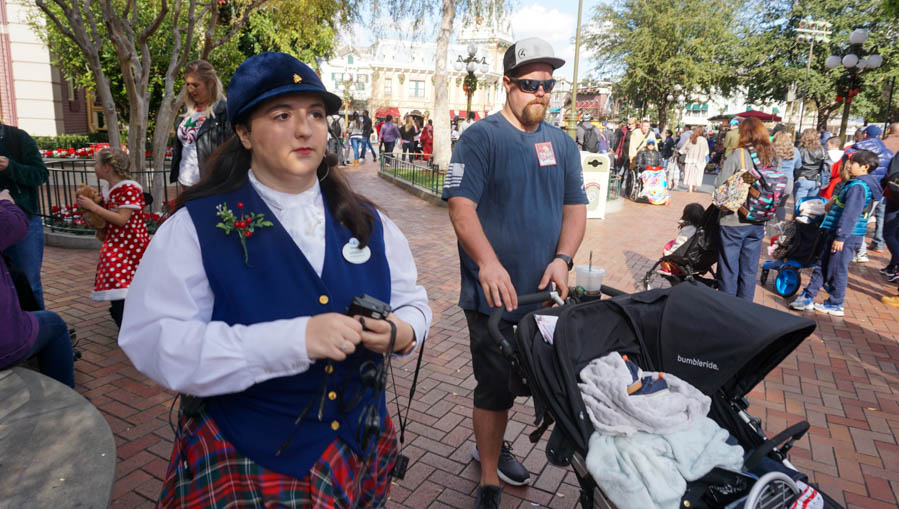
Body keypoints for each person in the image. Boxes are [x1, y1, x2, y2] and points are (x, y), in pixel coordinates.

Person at [118, 52, 432, 507]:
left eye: (316, 114)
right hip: (252, 460)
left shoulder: (368, 222)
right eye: (282, 115)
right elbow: (153, 341)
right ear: (243, 132)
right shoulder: (195, 229)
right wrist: (294, 339)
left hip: (357, 446)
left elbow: (413, 300)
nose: (305, 129)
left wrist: (402, 331)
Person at [441, 37, 588, 508]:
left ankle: (496, 444)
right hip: (493, 297)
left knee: (544, 379)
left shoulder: (562, 144)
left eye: (548, 84)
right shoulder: (480, 139)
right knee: (495, 386)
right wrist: (487, 263)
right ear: (508, 84)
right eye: (530, 83)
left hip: (543, 295)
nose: (541, 92)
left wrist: (562, 259)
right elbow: (461, 209)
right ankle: (488, 474)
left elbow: (575, 209)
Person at [789, 150, 882, 316]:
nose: (849, 165)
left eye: (853, 162)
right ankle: (809, 295)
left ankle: (835, 302)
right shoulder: (856, 184)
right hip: (836, 231)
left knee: (837, 269)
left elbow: (850, 214)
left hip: (846, 236)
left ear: (864, 167)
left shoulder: (859, 187)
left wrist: (841, 237)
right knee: (822, 264)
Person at [1, 189, 74, 387]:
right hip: (6, 342)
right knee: (55, 325)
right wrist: (5, 202)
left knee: (23, 282)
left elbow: (37, 173)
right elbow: (14, 224)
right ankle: (65, 401)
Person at [76, 148, 150, 328]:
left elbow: (122, 219)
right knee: (120, 284)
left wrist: (94, 208)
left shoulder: (129, 189)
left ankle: (126, 321)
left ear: (107, 167)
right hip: (117, 244)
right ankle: (125, 319)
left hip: (131, 247)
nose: (94, 167)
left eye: (96, 163)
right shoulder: (109, 189)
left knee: (123, 285)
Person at [715, 117, 780, 301]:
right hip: (759, 219)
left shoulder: (739, 155)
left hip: (734, 219)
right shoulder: (771, 157)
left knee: (729, 268)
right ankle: (745, 308)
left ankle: (728, 307)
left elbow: (720, 185)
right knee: (749, 269)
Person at [0, 120, 47, 309]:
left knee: (30, 284)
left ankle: (38, 334)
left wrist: (10, 167)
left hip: (23, 224)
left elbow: (40, 174)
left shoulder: (18, 138)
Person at [169, 60, 231, 187]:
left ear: (210, 83)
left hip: (210, 185)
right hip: (185, 181)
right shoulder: (187, 110)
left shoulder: (225, 111)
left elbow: (233, 152)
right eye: (188, 84)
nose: (191, 89)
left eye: (195, 85)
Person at [851, 125, 894, 260]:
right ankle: (879, 243)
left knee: (857, 218)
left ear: (865, 135)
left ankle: (859, 250)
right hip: (879, 190)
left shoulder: (857, 149)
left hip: (859, 187)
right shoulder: (888, 153)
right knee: (879, 218)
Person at [771, 131, 799, 221]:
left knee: (769, 205)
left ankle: (767, 231)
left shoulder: (771, 149)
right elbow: (798, 166)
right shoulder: (795, 151)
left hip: (773, 181)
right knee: (781, 206)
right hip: (788, 182)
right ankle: (780, 227)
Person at [794, 128, 827, 203]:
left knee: (798, 206)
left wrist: (795, 178)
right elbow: (826, 165)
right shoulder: (822, 150)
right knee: (811, 208)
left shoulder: (799, 149)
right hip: (815, 180)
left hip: (801, 178)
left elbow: (796, 165)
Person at [680, 126, 709, 193]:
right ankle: (693, 187)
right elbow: (706, 151)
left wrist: (682, 152)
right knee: (696, 174)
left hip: (689, 159)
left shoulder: (691, 138)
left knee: (689, 174)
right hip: (699, 160)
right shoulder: (703, 140)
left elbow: (684, 147)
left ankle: (690, 188)